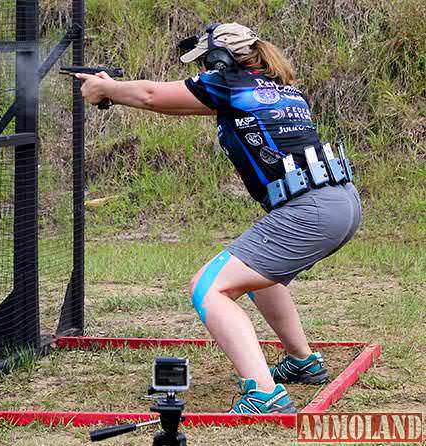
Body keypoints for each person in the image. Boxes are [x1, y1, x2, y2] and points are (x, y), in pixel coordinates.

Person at [76, 23, 361, 414]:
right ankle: (302, 360)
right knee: (259, 275)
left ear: (222, 59)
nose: (205, 69)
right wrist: (111, 89)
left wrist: (106, 90)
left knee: (209, 287)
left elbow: (150, 94)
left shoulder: (231, 84)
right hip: (341, 202)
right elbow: (169, 101)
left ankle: (263, 395)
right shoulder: (280, 88)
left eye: (208, 61)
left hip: (310, 210)